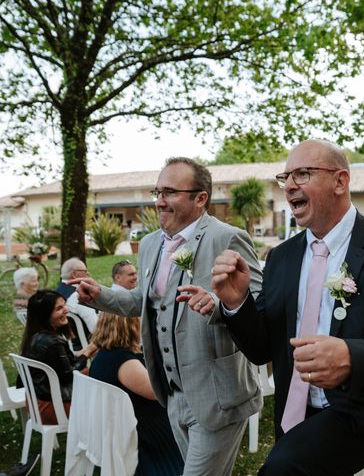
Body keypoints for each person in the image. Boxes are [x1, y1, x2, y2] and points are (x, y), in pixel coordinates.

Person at [212, 139, 364, 475]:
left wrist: (352, 358)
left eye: (303, 174)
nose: (290, 184)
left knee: (279, 471)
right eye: (286, 177)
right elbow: (262, 349)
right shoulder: (281, 258)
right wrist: (236, 303)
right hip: (293, 412)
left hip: (362, 411)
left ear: (340, 181)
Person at [73, 157, 263, 476]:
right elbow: (143, 302)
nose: (160, 201)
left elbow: (259, 303)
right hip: (172, 394)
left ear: (200, 198)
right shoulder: (150, 245)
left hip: (218, 396)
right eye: (158, 191)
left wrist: (218, 304)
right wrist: (101, 296)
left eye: (171, 192)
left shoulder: (226, 238)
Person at [89, 312, 184, 476]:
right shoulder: (123, 361)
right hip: (146, 432)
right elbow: (157, 392)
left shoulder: (105, 354)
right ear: (130, 326)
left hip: (125, 422)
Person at [20, 290, 94, 424]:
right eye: (59, 308)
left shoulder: (35, 336)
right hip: (52, 407)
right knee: (102, 380)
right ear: (45, 315)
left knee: (96, 371)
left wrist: (86, 352)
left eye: (64, 305)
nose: (66, 310)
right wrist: (88, 352)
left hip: (35, 402)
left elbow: (63, 365)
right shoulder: (51, 342)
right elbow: (69, 375)